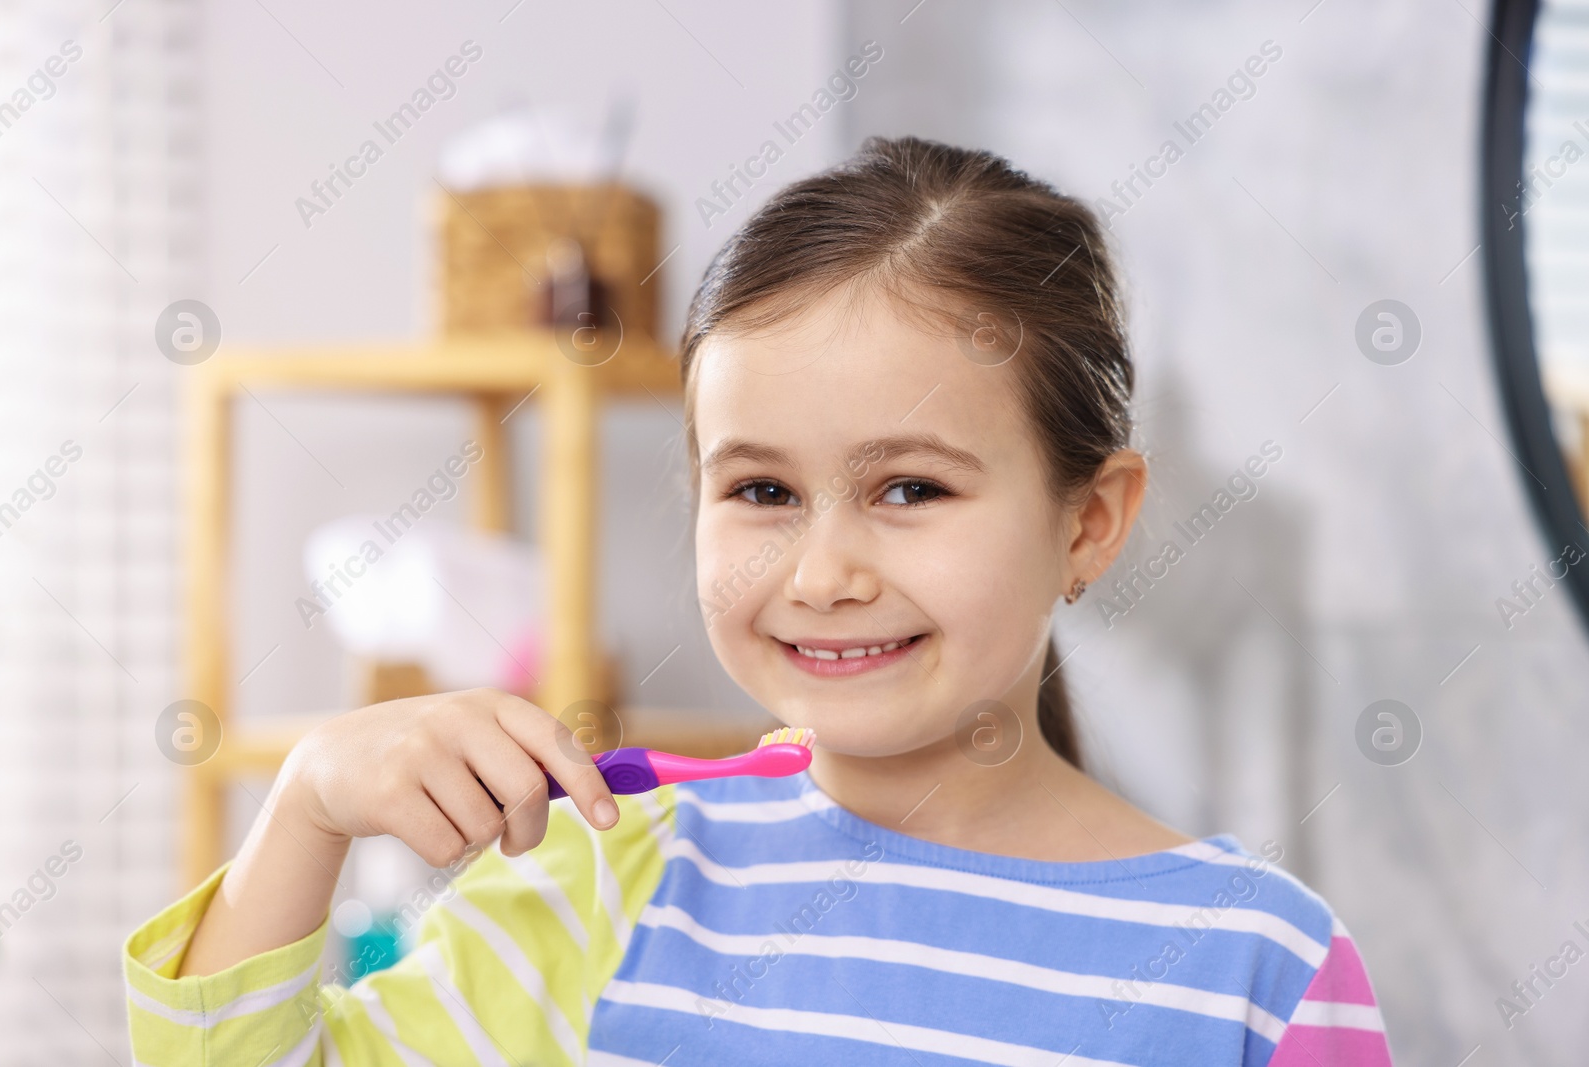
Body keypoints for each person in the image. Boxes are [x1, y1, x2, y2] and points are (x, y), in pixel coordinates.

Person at [123, 136, 1392, 1065]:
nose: (821, 572)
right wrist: (306, 811)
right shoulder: (609, 878)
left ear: (1090, 519)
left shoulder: (1257, 969)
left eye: (907, 489)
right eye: (762, 490)